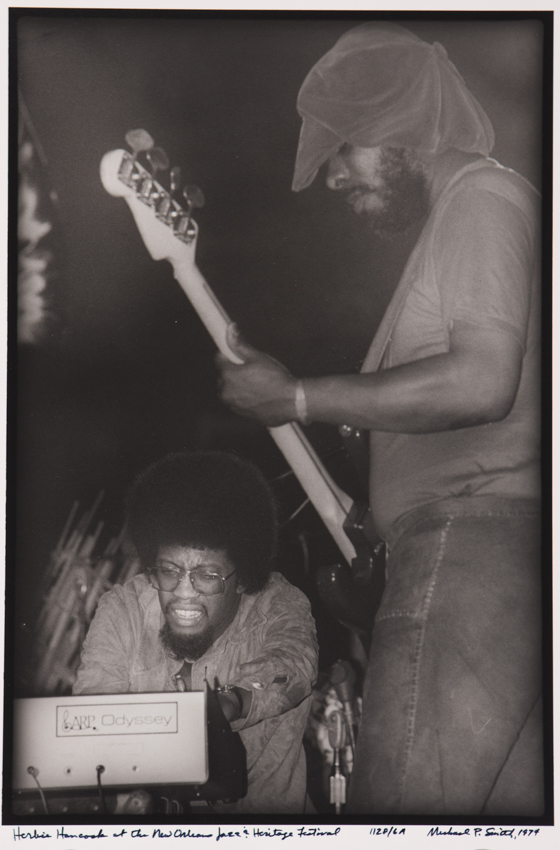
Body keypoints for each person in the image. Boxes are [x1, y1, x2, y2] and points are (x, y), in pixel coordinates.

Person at [217, 23, 543, 816]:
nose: (331, 178)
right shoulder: (465, 216)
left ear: (401, 127)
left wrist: (296, 399)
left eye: (342, 151)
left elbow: (482, 380)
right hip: (482, 565)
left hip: (471, 551)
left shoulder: (482, 195)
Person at [73, 450, 319, 814]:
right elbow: (96, 715)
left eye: (207, 576)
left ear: (243, 579)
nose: (184, 593)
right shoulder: (124, 608)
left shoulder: (280, 604)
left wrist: (230, 703)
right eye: (169, 571)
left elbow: (292, 665)